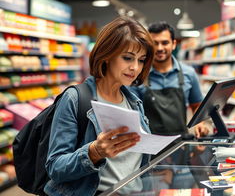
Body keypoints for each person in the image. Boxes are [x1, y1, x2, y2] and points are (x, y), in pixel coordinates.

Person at [44, 16, 155, 196]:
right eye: (128, 58)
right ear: (106, 55)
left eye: (141, 60)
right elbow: (55, 167)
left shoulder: (135, 103)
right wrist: (94, 152)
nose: (135, 67)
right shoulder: (75, 99)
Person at [131, 21, 209, 138]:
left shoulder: (189, 73)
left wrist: (200, 123)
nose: (160, 48)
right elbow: (132, 113)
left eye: (165, 43)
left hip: (181, 144)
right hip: (150, 145)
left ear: (173, 44)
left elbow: (196, 105)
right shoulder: (137, 75)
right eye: (155, 43)